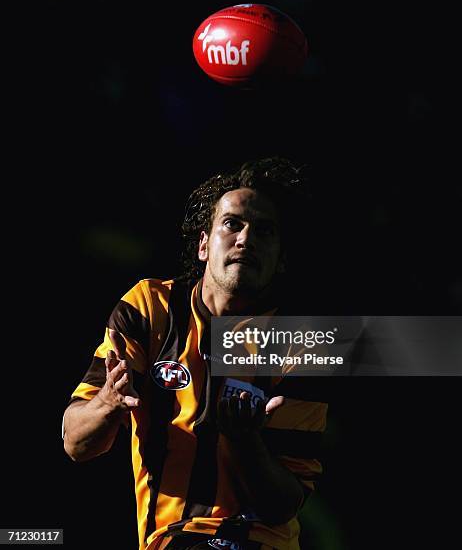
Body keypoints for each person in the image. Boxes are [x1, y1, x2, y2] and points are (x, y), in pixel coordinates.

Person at [63, 157, 328, 550]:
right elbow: (75, 443)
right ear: (204, 244)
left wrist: (245, 442)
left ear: (281, 259)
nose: (246, 239)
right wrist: (107, 401)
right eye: (232, 223)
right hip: (168, 539)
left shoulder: (302, 342)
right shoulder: (148, 308)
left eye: (265, 231)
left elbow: (282, 505)